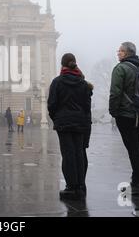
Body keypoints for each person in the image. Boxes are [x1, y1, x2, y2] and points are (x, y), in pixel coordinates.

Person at [109, 42, 139, 197]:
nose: (118, 53)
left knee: (132, 147)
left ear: (127, 53)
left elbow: (115, 92)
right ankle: (137, 177)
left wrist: (113, 111)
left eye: (120, 51)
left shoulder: (120, 68)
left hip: (126, 114)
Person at [48, 53, 92, 200]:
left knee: (68, 155)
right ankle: (80, 186)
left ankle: (71, 187)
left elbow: (52, 104)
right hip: (80, 122)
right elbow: (87, 106)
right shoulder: (83, 83)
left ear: (62, 65)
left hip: (64, 123)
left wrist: (57, 118)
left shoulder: (57, 82)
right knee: (79, 153)